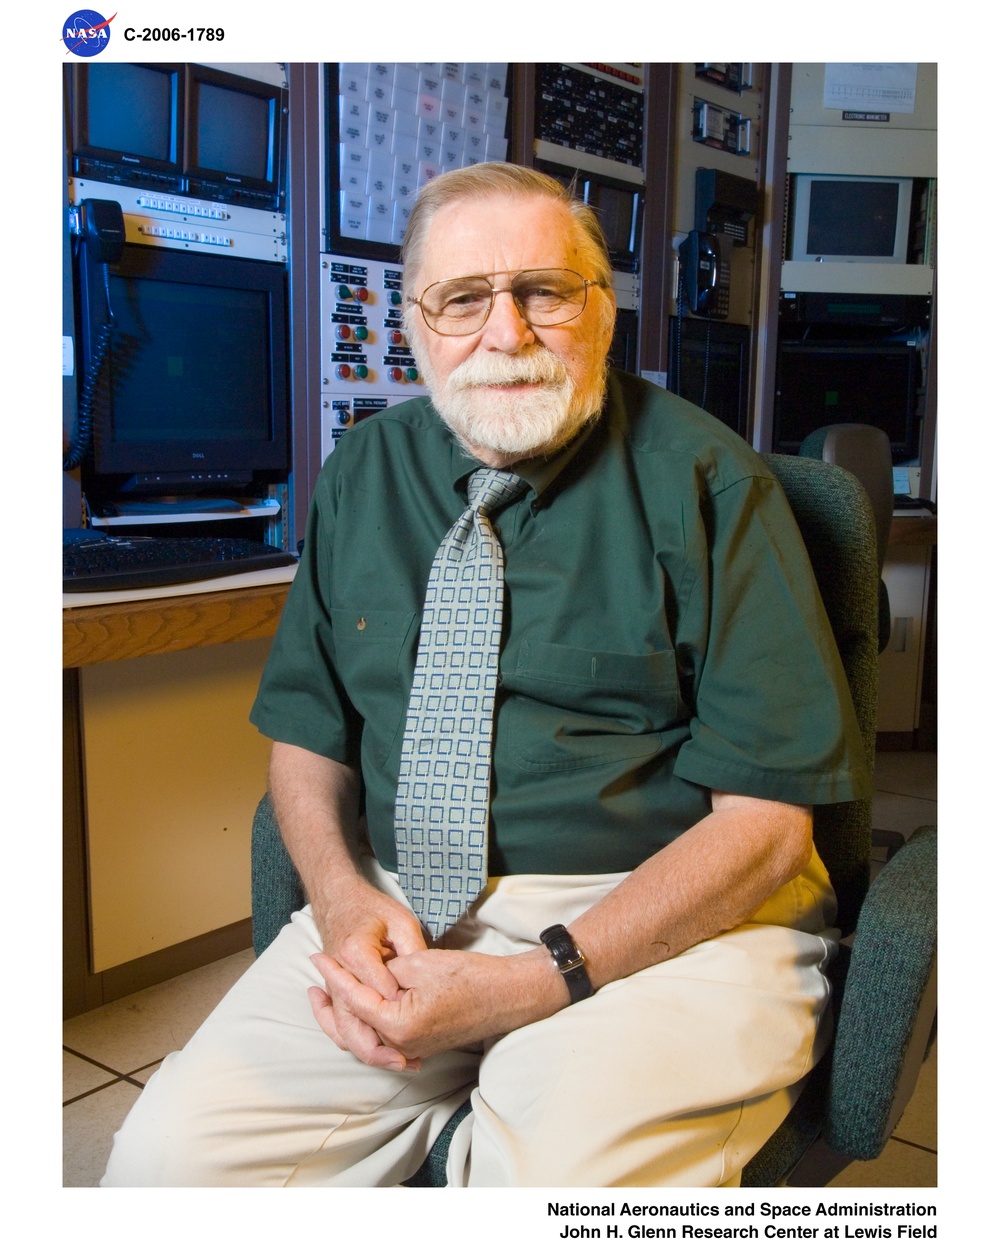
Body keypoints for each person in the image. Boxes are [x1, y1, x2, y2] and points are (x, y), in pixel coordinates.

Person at [103, 162, 869, 1188]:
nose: (505, 333)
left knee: (551, 1186)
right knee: (166, 1167)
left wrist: (541, 977)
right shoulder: (362, 473)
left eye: (544, 291)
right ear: (415, 321)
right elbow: (307, 739)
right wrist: (337, 897)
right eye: (463, 298)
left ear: (599, 310)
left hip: (665, 917)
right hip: (398, 902)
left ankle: (494, 1113)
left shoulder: (710, 481)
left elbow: (767, 824)